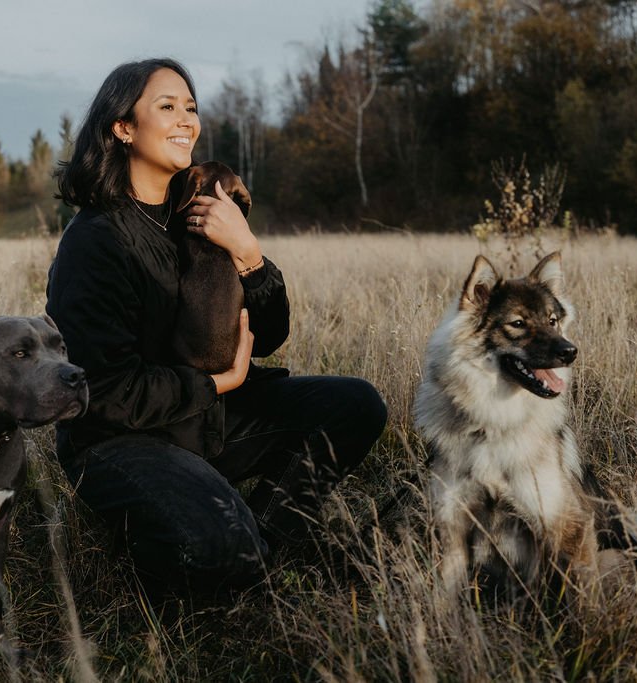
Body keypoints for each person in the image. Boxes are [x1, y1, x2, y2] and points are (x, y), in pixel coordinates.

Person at [46, 58, 387, 597]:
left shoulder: (205, 208)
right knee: (217, 546)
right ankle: (218, 545)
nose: (187, 120)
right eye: (167, 107)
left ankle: (264, 546)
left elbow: (269, 336)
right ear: (123, 127)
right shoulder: (96, 240)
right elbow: (103, 391)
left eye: (191, 107)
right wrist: (215, 384)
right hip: (123, 443)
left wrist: (248, 253)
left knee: (355, 404)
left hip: (208, 421)